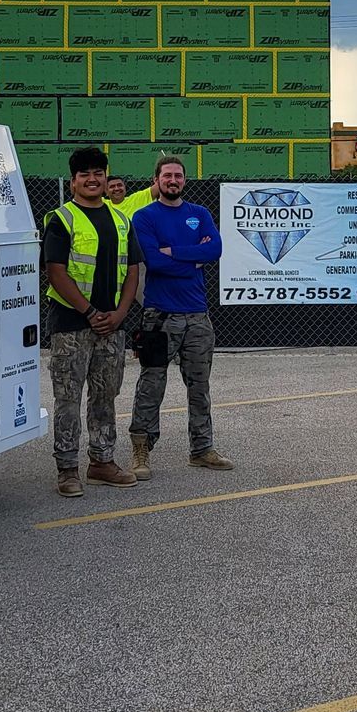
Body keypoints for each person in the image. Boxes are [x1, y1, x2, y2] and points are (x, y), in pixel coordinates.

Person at [41, 146, 144, 497]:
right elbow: (55, 272)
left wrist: (119, 314)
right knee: (68, 398)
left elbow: (132, 271)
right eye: (84, 174)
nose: (92, 179)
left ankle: (101, 462)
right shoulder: (61, 219)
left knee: (105, 396)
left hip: (111, 326)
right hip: (71, 325)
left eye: (98, 172)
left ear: (105, 176)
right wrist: (88, 312)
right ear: (73, 183)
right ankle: (67, 468)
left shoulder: (120, 220)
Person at [127, 156, 229, 477]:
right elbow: (154, 263)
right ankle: (142, 450)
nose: (173, 180)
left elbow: (215, 250)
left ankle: (202, 449)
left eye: (178, 176)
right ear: (156, 180)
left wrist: (175, 252)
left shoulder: (199, 214)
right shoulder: (144, 217)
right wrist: (192, 258)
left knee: (199, 385)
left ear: (184, 180)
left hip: (197, 315)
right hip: (159, 316)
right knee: (151, 383)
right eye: (167, 175)